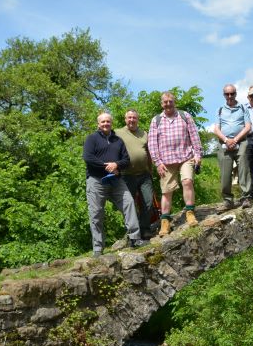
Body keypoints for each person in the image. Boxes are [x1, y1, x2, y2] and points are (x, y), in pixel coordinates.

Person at [83, 112, 143, 257]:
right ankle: (98, 248)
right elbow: (88, 158)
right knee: (96, 213)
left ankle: (135, 239)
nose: (105, 124)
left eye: (108, 121)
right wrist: (107, 166)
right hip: (96, 180)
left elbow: (126, 160)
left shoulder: (118, 140)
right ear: (98, 124)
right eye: (103, 122)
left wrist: (116, 165)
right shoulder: (92, 139)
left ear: (112, 123)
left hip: (116, 180)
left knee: (129, 203)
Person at [148, 92, 203, 235]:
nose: (168, 104)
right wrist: (157, 162)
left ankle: (190, 213)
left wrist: (198, 154)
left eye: (170, 101)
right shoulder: (156, 120)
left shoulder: (185, 116)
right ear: (162, 104)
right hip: (166, 161)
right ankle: (165, 222)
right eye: (165, 102)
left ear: (174, 102)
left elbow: (194, 136)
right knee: (166, 191)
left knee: (187, 181)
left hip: (186, 156)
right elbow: (152, 143)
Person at [213, 84, 252, 211]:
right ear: (224, 95)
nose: (229, 96)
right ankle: (228, 201)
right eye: (227, 94)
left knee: (244, 170)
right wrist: (226, 140)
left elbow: (248, 126)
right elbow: (216, 129)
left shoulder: (242, 108)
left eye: (232, 93)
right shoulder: (219, 110)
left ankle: (245, 197)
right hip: (224, 143)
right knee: (225, 174)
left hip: (241, 142)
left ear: (236, 93)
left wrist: (235, 140)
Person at [117, 109, 154, 239]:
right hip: (126, 175)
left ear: (137, 119)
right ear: (125, 119)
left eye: (134, 118)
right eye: (129, 118)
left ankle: (145, 229)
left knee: (148, 202)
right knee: (129, 205)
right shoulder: (117, 133)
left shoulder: (144, 133)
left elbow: (148, 152)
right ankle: (133, 232)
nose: (131, 120)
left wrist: (151, 170)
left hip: (144, 175)